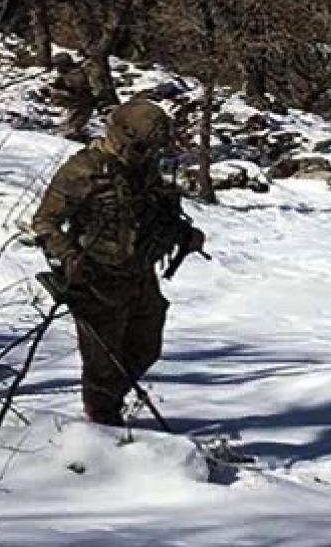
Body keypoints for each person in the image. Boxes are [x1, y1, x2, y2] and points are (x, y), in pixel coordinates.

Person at [29, 101, 205, 426]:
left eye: (153, 149)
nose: (149, 154)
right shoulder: (82, 171)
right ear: (122, 136)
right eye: (142, 147)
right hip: (97, 278)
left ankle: (110, 403)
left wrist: (183, 233)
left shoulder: (144, 171)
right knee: (103, 362)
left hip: (139, 273)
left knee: (146, 347)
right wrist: (68, 258)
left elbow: (152, 212)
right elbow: (44, 222)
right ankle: (103, 429)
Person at [48, 52, 99, 141]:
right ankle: (69, 130)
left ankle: (70, 130)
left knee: (79, 114)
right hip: (76, 101)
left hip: (81, 101)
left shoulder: (76, 74)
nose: (57, 68)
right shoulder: (69, 74)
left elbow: (81, 89)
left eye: (58, 65)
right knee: (77, 115)